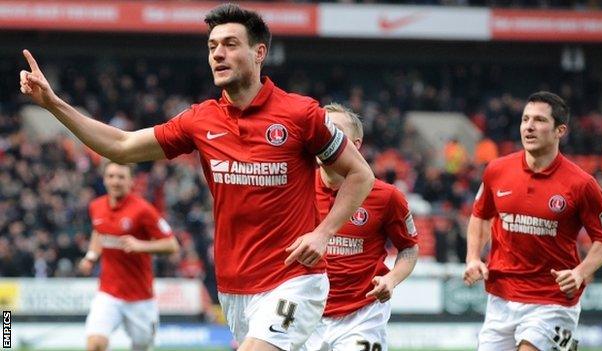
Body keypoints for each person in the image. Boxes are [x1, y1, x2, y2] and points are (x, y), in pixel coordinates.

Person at [20, 4, 374, 350]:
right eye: (212, 46)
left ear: (259, 52)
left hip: (295, 280)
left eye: (230, 44)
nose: (218, 54)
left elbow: (360, 174)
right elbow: (122, 145)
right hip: (234, 287)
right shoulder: (200, 120)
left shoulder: (301, 114)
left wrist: (324, 232)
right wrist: (53, 103)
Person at [463, 91, 602, 351]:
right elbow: (480, 215)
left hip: (552, 300)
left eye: (540, 120)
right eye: (525, 119)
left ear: (560, 130)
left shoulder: (582, 185)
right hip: (501, 296)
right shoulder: (497, 170)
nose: (529, 126)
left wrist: (580, 272)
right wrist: (473, 258)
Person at [303, 103, 419, 351]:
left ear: (355, 146)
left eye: (335, 131)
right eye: (322, 130)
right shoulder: (296, 189)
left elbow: (409, 248)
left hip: (361, 315)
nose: (326, 137)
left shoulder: (387, 197)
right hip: (305, 310)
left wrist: (392, 279)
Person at [78, 162, 179, 351]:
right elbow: (98, 232)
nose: (115, 181)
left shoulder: (143, 210)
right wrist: (91, 257)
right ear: (104, 179)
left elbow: (172, 245)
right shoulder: (96, 207)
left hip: (140, 297)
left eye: (121, 177)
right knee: (95, 344)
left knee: (141, 347)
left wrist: (141, 245)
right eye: (111, 176)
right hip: (108, 293)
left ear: (131, 181)